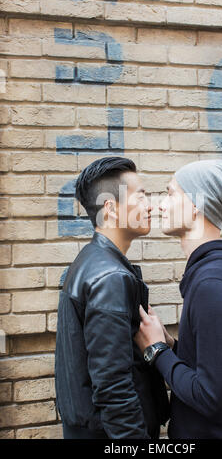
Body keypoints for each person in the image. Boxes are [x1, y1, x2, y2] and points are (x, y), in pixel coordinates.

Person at [134, 159, 222, 439]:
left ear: (196, 204)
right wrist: (173, 346)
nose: (162, 205)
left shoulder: (213, 285)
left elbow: (212, 401)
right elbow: (214, 369)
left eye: (170, 193)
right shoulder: (215, 275)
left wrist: (156, 351)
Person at [55, 156, 169, 439]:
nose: (151, 205)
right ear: (112, 209)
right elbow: (112, 384)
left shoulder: (90, 262)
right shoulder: (109, 277)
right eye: (141, 197)